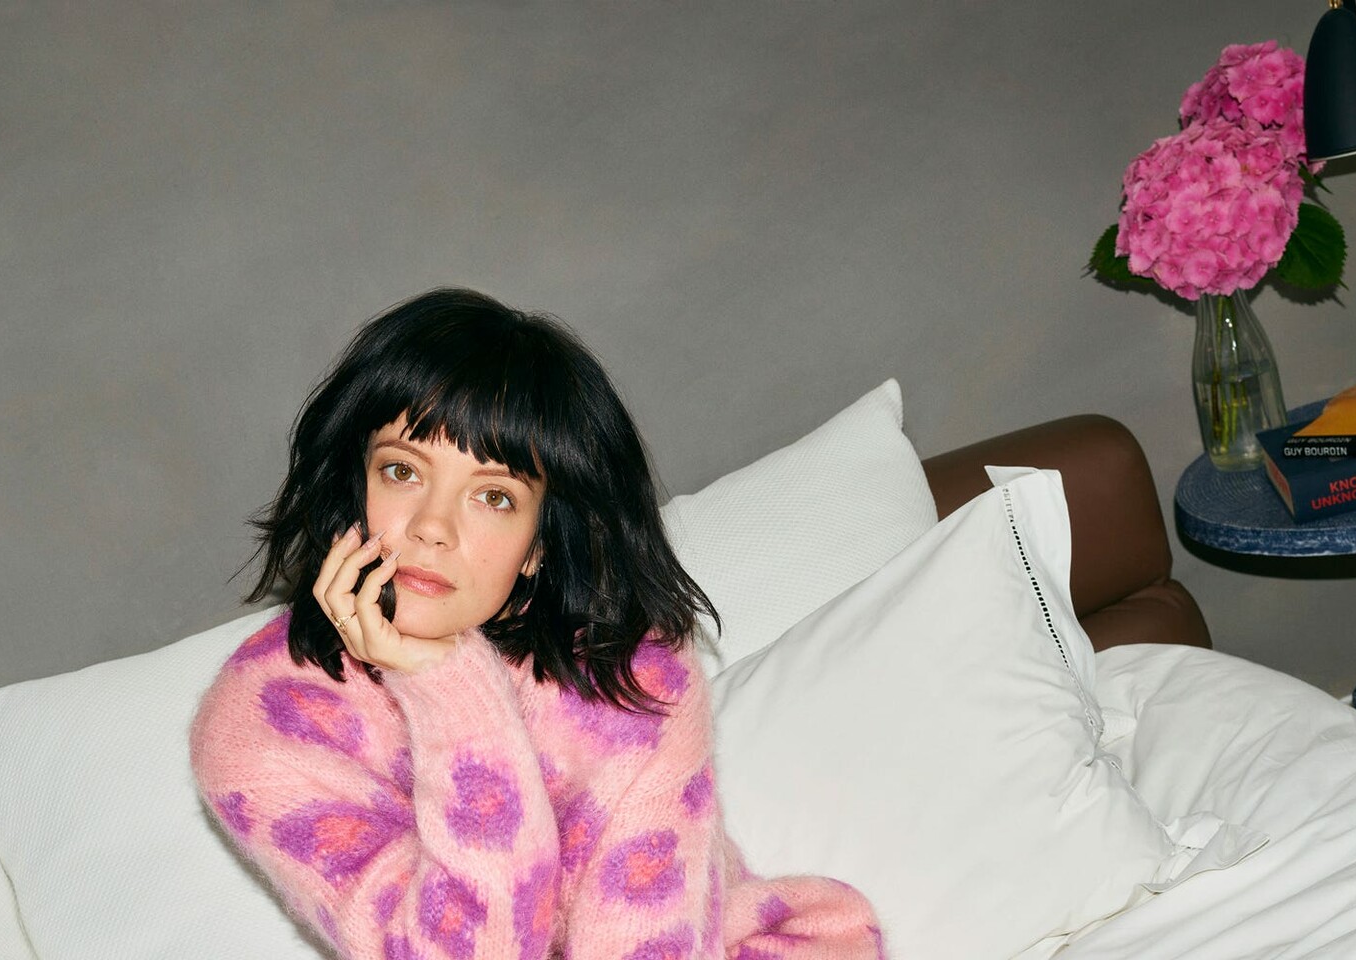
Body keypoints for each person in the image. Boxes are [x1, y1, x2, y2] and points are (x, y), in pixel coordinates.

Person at [190, 288, 885, 958]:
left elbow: (646, 946)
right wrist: (444, 686)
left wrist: (444, 676)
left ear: (539, 544)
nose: (433, 527)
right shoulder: (264, 720)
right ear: (354, 487)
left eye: (493, 496)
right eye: (402, 472)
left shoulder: (627, 671)